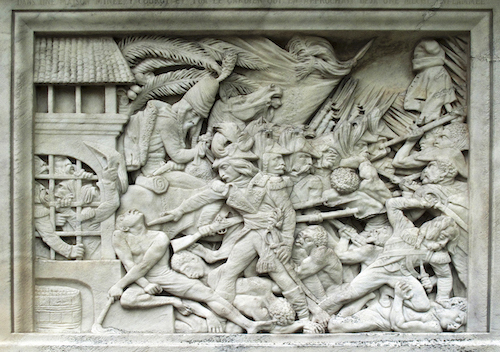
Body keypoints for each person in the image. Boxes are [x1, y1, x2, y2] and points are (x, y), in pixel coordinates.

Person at [107, 209, 274, 334]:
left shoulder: (159, 238)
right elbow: (128, 263)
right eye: (124, 216)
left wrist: (122, 285)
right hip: (138, 279)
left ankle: (248, 325)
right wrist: (142, 284)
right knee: (127, 300)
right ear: (124, 227)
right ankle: (173, 301)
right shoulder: (119, 236)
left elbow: (144, 265)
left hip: (164, 276)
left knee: (209, 295)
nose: (129, 211)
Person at [319, 196, 459, 315]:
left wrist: (443, 298)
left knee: (423, 306)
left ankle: (389, 295)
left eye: (448, 240)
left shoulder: (435, 254)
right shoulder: (405, 229)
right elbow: (392, 204)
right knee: (346, 295)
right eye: (444, 236)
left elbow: (445, 276)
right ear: (435, 229)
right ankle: (318, 313)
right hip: (379, 269)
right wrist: (421, 203)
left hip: (402, 276)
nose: (444, 242)